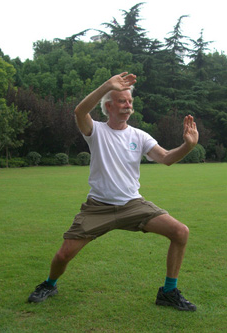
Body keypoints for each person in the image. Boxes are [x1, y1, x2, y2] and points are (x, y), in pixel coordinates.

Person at [28, 72, 198, 311]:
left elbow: (167, 158)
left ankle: (169, 292)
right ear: (108, 106)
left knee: (180, 232)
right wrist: (107, 85)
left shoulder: (139, 136)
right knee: (64, 255)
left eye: (129, 101)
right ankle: (49, 284)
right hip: (98, 207)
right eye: (121, 101)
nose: (127, 105)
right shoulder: (96, 131)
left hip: (133, 205)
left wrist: (188, 146)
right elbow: (79, 111)